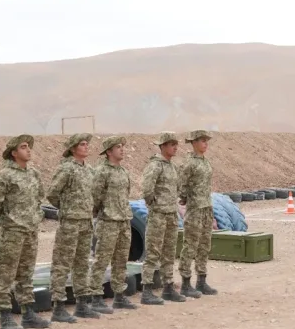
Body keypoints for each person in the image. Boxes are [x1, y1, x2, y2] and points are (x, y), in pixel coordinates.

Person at [0, 134, 51, 329]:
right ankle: (5, 316)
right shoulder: (4, 176)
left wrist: (36, 216)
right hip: (12, 232)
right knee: (5, 274)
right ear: (14, 153)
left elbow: (38, 198)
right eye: (24, 147)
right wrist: (11, 218)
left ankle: (28, 313)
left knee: (26, 274)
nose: (28, 150)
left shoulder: (33, 174)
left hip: (30, 231)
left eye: (29, 147)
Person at [47, 133, 101, 322]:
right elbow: (52, 194)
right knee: (62, 263)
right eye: (82, 144)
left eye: (87, 144)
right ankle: (58, 305)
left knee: (81, 263)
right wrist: (67, 208)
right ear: (73, 148)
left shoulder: (90, 170)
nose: (86, 147)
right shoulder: (67, 169)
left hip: (86, 222)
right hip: (70, 221)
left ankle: (82, 304)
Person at [88, 135, 138, 310]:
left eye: (122, 146)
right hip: (108, 220)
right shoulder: (102, 171)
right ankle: (95, 296)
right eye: (118, 147)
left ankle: (119, 295)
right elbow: (95, 196)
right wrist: (101, 213)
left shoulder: (123, 171)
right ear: (109, 152)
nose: (122, 149)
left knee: (121, 260)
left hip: (124, 220)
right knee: (102, 259)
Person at [140, 131, 184, 304]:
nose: (175, 147)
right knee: (153, 252)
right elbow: (147, 189)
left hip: (171, 215)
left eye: (176, 144)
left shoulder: (172, 166)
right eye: (171, 144)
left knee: (169, 252)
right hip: (158, 215)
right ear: (163, 146)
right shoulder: (155, 165)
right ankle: (147, 290)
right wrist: (155, 205)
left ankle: (168, 287)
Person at [177, 130, 218, 298]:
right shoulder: (189, 163)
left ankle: (201, 280)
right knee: (190, 245)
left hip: (206, 207)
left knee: (204, 245)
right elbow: (182, 184)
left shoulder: (205, 162)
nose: (205, 143)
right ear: (193, 143)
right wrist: (185, 199)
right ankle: (186, 283)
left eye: (206, 140)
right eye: (202, 141)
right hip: (194, 208)